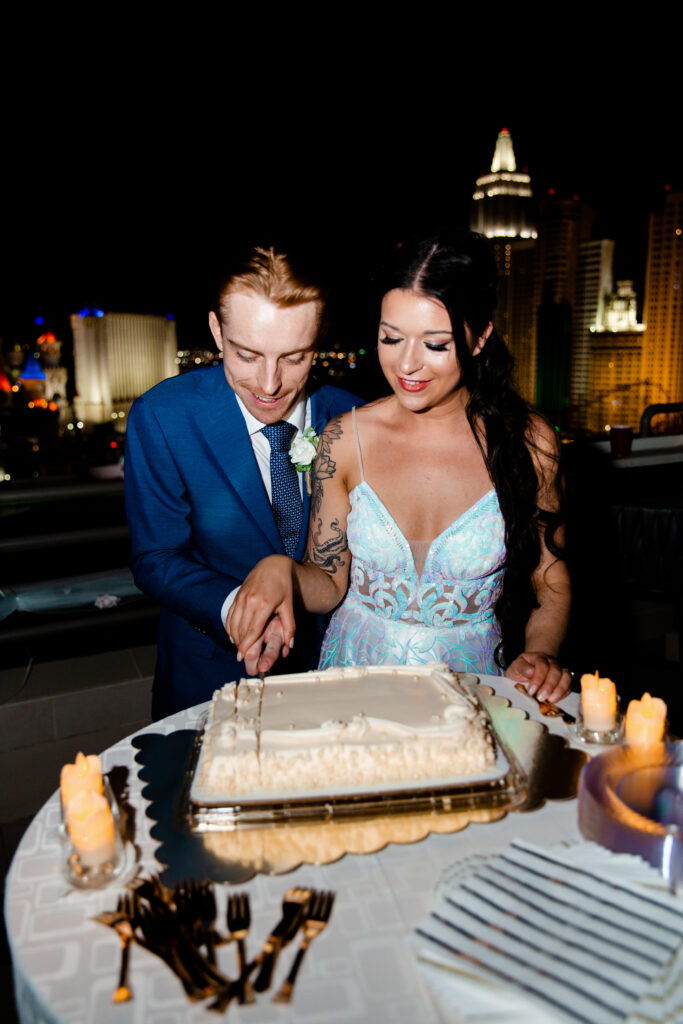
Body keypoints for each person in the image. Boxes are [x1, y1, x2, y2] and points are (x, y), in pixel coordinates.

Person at [227, 232, 572, 704]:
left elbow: (550, 582)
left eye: (435, 344)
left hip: (472, 690)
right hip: (355, 685)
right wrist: (279, 570)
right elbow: (328, 583)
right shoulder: (343, 440)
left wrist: (541, 653)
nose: (407, 364)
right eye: (391, 338)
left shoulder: (531, 443)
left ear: (479, 339)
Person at [124, 245, 359, 717]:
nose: (268, 384)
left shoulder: (356, 415)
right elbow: (155, 557)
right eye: (247, 355)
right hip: (209, 675)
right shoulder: (164, 416)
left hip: (336, 674)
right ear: (216, 331)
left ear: (321, 337)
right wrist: (238, 608)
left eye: (294, 358)